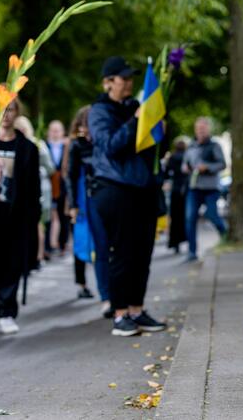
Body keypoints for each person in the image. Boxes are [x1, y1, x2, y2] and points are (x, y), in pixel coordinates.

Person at [88, 56, 166, 336]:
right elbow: (110, 146)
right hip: (114, 189)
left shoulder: (137, 106)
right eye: (123, 78)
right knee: (121, 253)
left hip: (142, 189)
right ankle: (120, 314)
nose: (129, 83)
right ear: (108, 82)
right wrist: (136, 122)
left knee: (142, 253)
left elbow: (150, 150)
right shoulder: (99, 111)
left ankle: (136, 309)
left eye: (131, 78)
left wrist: (160, 130)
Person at [0, 95, 40, 334]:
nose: (5, 114)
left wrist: (32, 218)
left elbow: (32, 187)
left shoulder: (27, 148)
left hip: (13, 215)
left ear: (17, 113)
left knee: (11, 263)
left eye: (10, 109)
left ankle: (6, 310)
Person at [182, 117, 227, 261]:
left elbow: (222, 164)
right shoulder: (191, 146)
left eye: (203, 128)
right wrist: (185, 168)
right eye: (198, 128)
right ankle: (192, 252)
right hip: (194, 187)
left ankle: (226, 236)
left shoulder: (215, 145)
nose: (200, 131)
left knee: (212, 215)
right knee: (190, 218)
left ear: (208, 129)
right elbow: (185, 164)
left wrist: (207, 167)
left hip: (211, 188)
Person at [14, 115, 54, 271]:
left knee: (37, 224)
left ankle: (38, 256)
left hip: (38, 188)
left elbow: (50, 168)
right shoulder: (15, 144)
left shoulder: (36, 145)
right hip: (19, 190)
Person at [67, 106, 97, 300]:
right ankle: (81, 283)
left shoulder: (100, 142)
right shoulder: (76, 145)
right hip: (81, 200)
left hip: (98, 196)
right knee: (81, 240)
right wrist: (72, 205)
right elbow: (70, 175)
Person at [45, 119, 70, 257]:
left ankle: (62, 244)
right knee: (49, 215)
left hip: (63, 185)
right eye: (52, 130)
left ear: (62, 132)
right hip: (49, 184)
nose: (55, 133)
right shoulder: (44, 146)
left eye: (57, 130)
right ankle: (48, 246)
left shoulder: (67, 146)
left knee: (63, 214)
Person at [164, 137, 188, 253]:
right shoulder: (186, 156)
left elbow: (167, 173)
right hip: (185, 188)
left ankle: (175, 242)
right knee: (185, 216)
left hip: (175, 189)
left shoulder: (172, 157)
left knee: (174, 216)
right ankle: (187, 241)